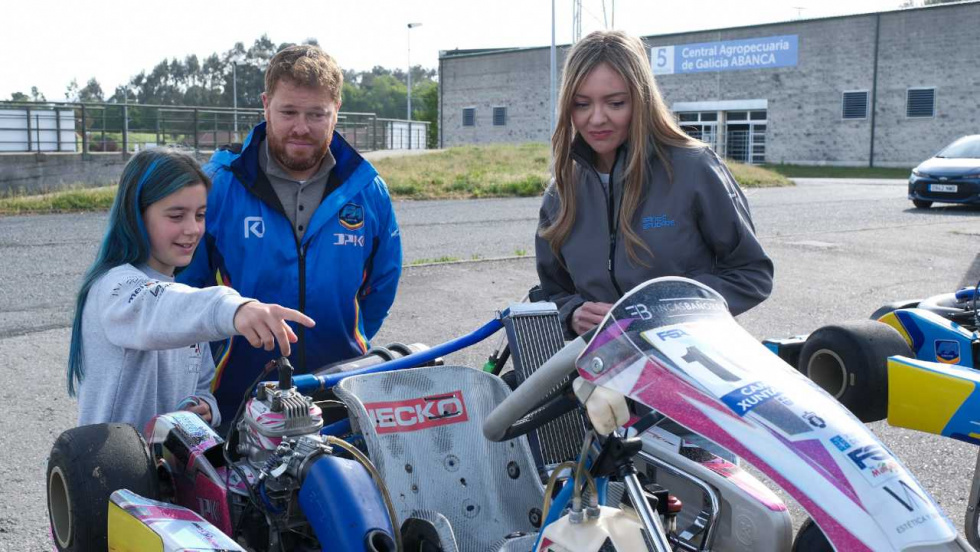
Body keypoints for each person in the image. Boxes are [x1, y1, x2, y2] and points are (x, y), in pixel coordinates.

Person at [179, 45, 402, 425]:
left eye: (317, 114)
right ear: (266, 105)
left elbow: (381, 285)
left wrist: (346, 335)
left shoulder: (367, 189)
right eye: (288, 112)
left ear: (336, 110)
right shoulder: (220, 185)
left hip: (340, 392)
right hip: (237, 397)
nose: (302, 127)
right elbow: (186, 286)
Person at [536, 30, 773, 339]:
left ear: (641, 100)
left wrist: (663, 311)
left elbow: (751, 274)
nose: (596, 118)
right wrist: (572, 314)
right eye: (582, 104)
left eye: (616, 103)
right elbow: (553, 292)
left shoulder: (693, 168)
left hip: (694, 358)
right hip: (603, 369)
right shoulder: (562, 192)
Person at [68, 148, 315, 431]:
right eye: (176, 216)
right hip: (113, 468)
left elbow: (199, 381)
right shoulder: (114, 287)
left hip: (169, 466)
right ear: (136, 215)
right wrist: (236, 308)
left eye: (199, 215)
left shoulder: (181, 295)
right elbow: (159, 307)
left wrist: (206, 406)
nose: (193, 229)